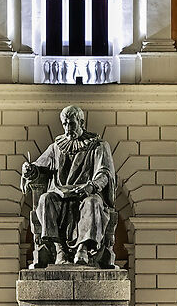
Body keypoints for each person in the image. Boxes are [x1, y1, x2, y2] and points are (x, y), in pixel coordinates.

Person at [22, 105, 117, 268]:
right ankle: (59, 250)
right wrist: (30, 170)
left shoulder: (98, 145)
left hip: (85, 194)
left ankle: (83, 249)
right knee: (46, 199)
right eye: (64, 124)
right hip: (61, 196)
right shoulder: (56, 147)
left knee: (93, 203)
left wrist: (91, 187)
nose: (67, 128)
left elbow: (105, 173)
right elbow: (39, 167)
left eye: (71, 123)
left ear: (81, 122)